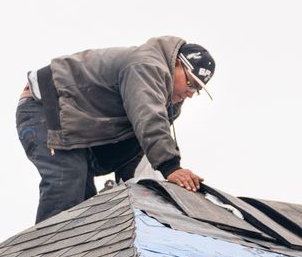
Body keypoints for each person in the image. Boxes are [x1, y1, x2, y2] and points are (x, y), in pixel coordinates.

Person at [16, 36, 215, 224]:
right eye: (189, 83)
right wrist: (171, 167)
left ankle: (69, 251)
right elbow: (148, 119)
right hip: (44, 107)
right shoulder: (147, 65)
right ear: (177, 64)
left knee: (83, 205)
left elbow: (137, 145)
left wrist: (130, 191)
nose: (190, 93)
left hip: (76, 125)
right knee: (67, 177)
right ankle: (50, 253)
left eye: (196, 90)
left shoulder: (169, 105)